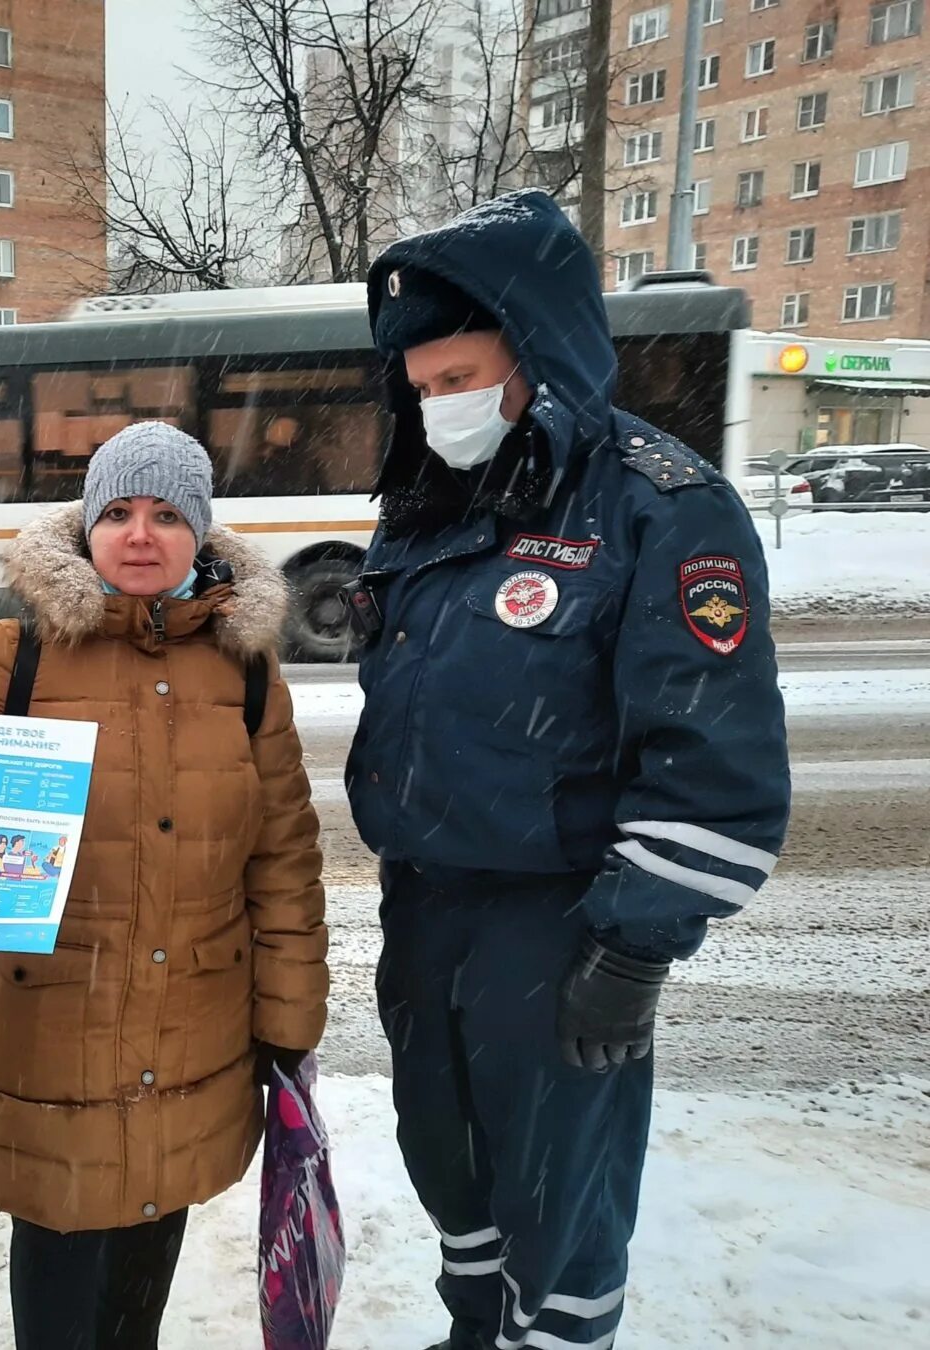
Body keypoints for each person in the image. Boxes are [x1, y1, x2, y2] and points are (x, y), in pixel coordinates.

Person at [345, 191, 790, 1350]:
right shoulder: (426, 505)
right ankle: (474, 1331)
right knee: (450, 1166)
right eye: (425, 385)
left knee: (560, 1202)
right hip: (428, 909)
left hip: (563, 926)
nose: (441, 406)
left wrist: (635, 945)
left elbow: (713, 756)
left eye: (464, 378)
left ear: (537, 355)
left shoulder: (658, 506)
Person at [0, 421, 329, 1350]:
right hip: (50, 1030)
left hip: (192, 1030)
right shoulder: (22, 653)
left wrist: (289, 1026)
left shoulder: (248, 674)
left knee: (140, 1283)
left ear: (200, 534)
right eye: (119, 511)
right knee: (56, 1287)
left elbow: (284, 860)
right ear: (86, 526)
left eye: (167, 514)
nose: (140, 534)